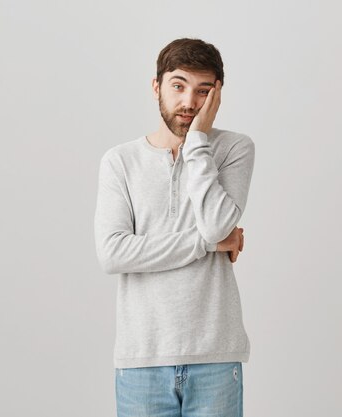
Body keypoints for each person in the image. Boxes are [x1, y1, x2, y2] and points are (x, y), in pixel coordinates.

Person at [93, 38, 255, 417]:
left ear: (216, 97)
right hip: (142, 358)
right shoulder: (121, 161)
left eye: (203, 91)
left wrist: (197, 140)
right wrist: (207, 243)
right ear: (157, 87)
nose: (189, 102)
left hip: (216, 353)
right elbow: (113, 253)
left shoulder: (234, 149)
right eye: (178, 86)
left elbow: (217, 223)